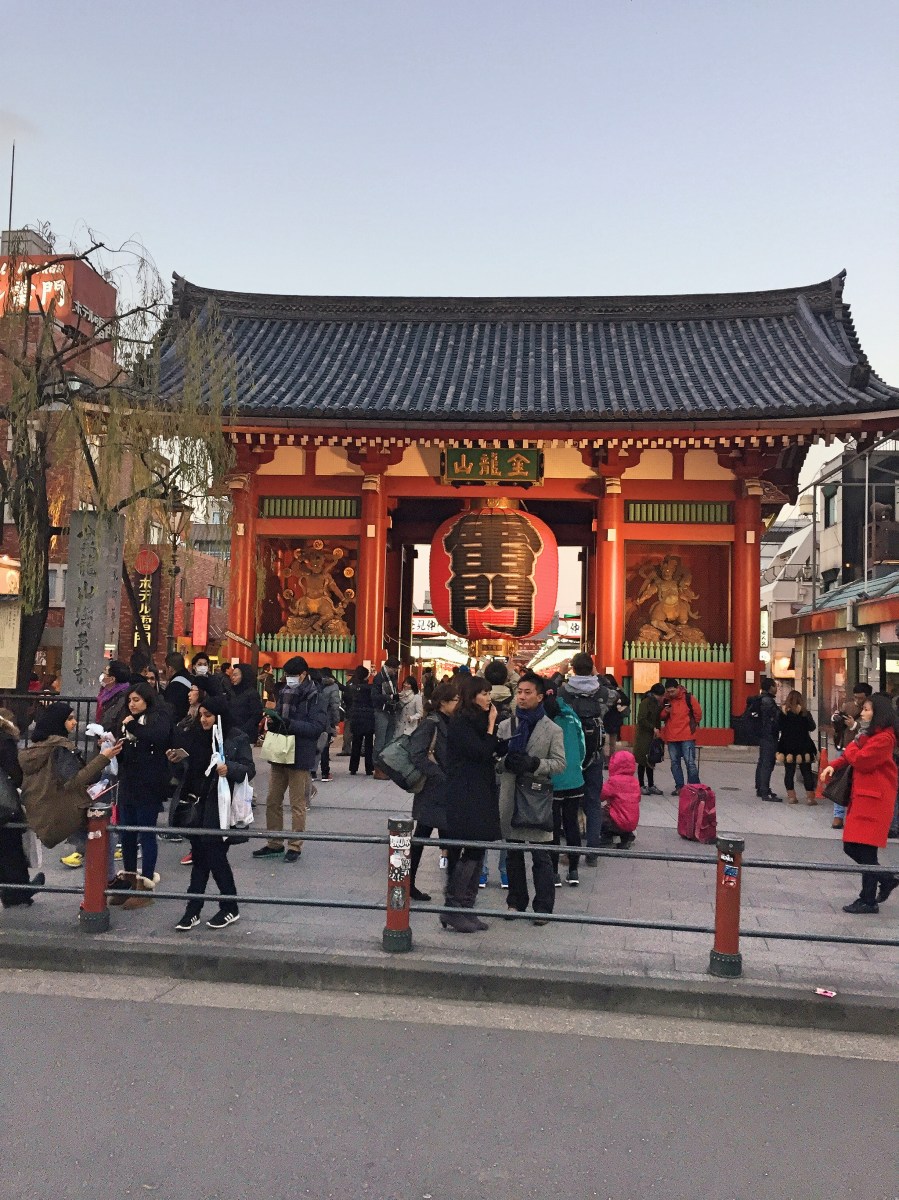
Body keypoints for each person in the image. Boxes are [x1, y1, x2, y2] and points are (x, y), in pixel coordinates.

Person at [19, 703, 122, 895]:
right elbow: (75, 779)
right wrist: (103, 758)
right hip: (63, 811)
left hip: (43, 809)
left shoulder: (38, 748)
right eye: (70, 719)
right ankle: (105, 883)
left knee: (94, 842)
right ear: (58, 722)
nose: (75, 723)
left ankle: (103, 884)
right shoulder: (61, 748)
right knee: (104, 837)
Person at [174, 695, 255, 931]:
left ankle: (216, 907)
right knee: (202, 857)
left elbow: (249, 769)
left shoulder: (236, 737)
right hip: (198, 806)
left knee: (213, 857)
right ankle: (200, 909)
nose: (203, 720)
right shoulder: (196, 736)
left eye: (208, 715)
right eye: (201, 715)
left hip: (222, 808)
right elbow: (188, 773)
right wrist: (177, 760)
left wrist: (230, 768)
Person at [819, 693, 899, 914]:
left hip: (874, 800)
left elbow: (861, 761)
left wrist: (852, 747)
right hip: (865, 797)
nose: (862, 713)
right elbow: (850, 757)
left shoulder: (884, 738)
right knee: (861, 849)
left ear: (878, 713)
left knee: (858, 848)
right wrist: (833, 765)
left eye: (866, 709)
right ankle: (873, 893)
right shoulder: (868, 735)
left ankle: (874, 893)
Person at [498, 672, 566, 924]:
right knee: (513, 853)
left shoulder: (553, 730)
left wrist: (534, 763)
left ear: (539, 696)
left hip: (537, 798)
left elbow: (560, 764)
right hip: (510, 795)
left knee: (541, 855)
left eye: (528, 693)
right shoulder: (506, 725)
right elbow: (494, 760)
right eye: (519, 692)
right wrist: (505, 761)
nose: (522, 697)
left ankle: (543, 907)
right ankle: (516, 902)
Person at [253, 656, 327, 862]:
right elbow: (279, 716)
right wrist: (274, 721)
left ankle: (295, 845)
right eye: (287, 675)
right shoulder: (283, 692)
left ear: (303, 674)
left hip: (300, 754)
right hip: (280, 753)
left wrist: (289, 724)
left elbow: (316, 727)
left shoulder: (315, 696)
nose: (289, 679)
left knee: (297, 803)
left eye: (292, 675)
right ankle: (274, 842)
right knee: (272, 800)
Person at [443, 676, 501, 932]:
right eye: (483, 693)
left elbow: (488, 750)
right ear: (471, 696)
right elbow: (479, 751)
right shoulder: (462, 722)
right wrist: (491, 726)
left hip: (482, 789)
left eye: (489, 693)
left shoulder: (476, 721)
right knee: (469, 847)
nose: (488, 697)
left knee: (478, 847)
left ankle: (467, 906)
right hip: (466, 792)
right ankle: (453, 908)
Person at [116, 683, 174, 906]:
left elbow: (156, 738)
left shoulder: (158, 718)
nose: (132, 704)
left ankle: (146, 882)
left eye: (136, 700)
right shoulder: (126, 721)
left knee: (146, 832)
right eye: (130, 700)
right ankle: (130, 876)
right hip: (128, 781)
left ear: (147, 700)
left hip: (149, 782)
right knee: (126, 833)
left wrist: (133, 726)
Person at [560, 653, 613, 866]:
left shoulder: (564, 692)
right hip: (595, 754)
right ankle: (593, 851)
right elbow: (618, 696)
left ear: (572, 668)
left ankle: (572, 851)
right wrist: (598, 675)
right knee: (593, 802)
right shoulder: (601, 692)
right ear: (591, 668)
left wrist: (560, 674)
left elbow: (548, 694)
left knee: (569, 802)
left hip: (570, 753)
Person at [407, 680, 458, 902]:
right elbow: (416, 754)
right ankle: (409, 884)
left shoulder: (450, 722)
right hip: (432, 791)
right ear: (443, 703)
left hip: (445, 791)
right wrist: (438, 774)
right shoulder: (431, 723)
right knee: (421, 837)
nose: (459, 704)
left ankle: (453, 889)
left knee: (449, 839)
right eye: (456, 700)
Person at [0, 709, 45, 907]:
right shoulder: (4, 739)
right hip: (3, 804)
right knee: (11, 847)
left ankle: (12, 891)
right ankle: (17, 891)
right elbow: (14, 770)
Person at [544, 683, 586, 886]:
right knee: (571, 825)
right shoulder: (571, 716)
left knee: (552, 827)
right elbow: (582, 745)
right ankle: (574, 870)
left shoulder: (543, 718)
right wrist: (576, 767)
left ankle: (553, 873)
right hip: (574, 779)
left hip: (552, 779)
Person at [480, 660, 515, 886]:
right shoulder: (516, 702)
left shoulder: (480, 701)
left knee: (482, 818)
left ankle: (481, 871)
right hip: (507, 766)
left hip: (484, 766)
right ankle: (504, 871)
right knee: (507, 819)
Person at [830, 682, 872, 829]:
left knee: (859, 784)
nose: (858, 701)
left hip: (862, 750)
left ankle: (857, 816)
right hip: (845, 746)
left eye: (860, 698)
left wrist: (854, 725)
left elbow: (871, 729)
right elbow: (835, 720)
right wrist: (836, 718)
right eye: (855, 697)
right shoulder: (847, 706)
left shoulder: (872, 710)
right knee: (840, 781)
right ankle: (838, 815)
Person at [660, 677, 702, 795]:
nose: (670, 694)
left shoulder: (688, 698)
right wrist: (665, 712)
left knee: (690, 762)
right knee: (675, 763)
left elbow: (698, 713)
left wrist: (691, 726)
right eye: (668, 691)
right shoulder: (666, 700)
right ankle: (680, 786)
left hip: (687, 736)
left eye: (672, 691)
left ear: (678, 688)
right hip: (672, 736)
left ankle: (694, 787)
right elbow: (662, 716)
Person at [776, 691, 818, 804]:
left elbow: (778, 726)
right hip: (804, 746)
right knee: (807, 772)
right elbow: (812, 727)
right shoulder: (805, 713)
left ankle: (792, 797)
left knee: (789, 771)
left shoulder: (782, 713)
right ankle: (810, 797)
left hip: (787, 746)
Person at [600, 750, 641, 848]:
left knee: (599, 813)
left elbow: (600, 796)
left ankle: (607, 839)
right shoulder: (635, 782)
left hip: (617, 822)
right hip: (632, 822)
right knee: (623, 815)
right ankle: (626, 838)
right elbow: (638, 798)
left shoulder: (614, 781)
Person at [753, 677, 783, 802]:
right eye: (775, 686)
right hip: (769, 735)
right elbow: (776, 719)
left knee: (762, 761)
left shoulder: (761, 699)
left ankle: (760, 788)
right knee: (768, 762)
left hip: (762, 735)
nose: (777, 688)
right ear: (770, 687)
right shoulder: (768, 701)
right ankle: (765, 791)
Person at [633, 682, 665, 795]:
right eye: (661, 696)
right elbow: (641, 719)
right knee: (642, 761)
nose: (662, 698)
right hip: (644, 736)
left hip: (653, 736)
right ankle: (641, 785)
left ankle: (651, 785)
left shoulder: (657, 704)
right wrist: (653, 728)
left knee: (651, 760)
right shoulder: (645, 703)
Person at [346, 665, 376, 776]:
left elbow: (347, 700)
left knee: (356, 743)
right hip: (368, 717)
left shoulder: (351, 687)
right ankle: (369, 768)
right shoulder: (370, 688)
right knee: (368, 744)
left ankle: (353, 768)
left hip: (356, 717)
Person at [371, 655, 401, 759]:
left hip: (391, 710)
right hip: (381, 710)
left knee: (389, 738)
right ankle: (377, 764)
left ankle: (385, 763)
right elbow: (374, 696)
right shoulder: (379, 678)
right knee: (380, 739)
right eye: (395, 669)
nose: (396, 671)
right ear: (389, 667)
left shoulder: (392, 678)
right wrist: (391, 696)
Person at [316, 667, 342, 781]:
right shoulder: (333, 686)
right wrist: (336, 721)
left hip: (314, 718)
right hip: (327, 719)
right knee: (325, 745)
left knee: (314, 744)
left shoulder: (314, 684)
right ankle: (325, 773)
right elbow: (335, 705)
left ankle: (312, 772)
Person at [230, 662, 264, 742]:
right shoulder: (232, 692)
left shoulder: (252, 693)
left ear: (244, 676)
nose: (232, 677)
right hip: (233, 734)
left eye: (235, 675)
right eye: (232, 675)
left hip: (246, 736)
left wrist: (243, 730)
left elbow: (257, 714)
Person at [600, 674, 629, 760]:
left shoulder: (617, 691)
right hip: (606, 718)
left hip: (612, 719)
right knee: (606, 742)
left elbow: (626, 701)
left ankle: (610, 759)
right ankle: (606, 759)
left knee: (611, 742)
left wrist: (618, 702)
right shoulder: (603, 691)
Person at [162, 652, 193, 723]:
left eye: (165, 668)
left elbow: (171, 711)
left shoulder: (174, 687)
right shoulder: (192, 679)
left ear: (170, 669)